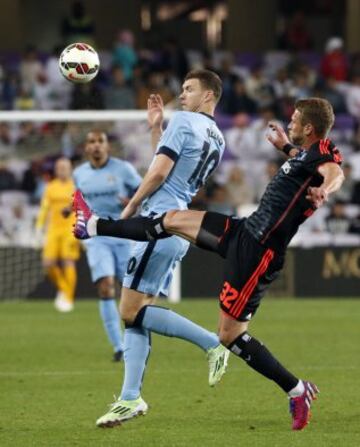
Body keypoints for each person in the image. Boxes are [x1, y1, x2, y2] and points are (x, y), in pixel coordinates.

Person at [74, 98, 345, 430]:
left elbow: (333, 172)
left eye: (295, 119)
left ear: (309, 128)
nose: (289, 121)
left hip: (258, 253)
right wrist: (285, 146)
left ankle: (296, 389)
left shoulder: (325, 153)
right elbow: (305, 163)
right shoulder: (304, 154)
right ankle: (93, 226)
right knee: (169, 219)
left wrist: (326, 192)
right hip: (243, 229)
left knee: (230, 334)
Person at [74, 69, 230, 427]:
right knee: (137, 312)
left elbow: (158, 173)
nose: (183, 94)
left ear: (209, 96)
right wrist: (156, 128)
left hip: (159, 223)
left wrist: (129, 211)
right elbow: (174, 167)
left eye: (189, 88)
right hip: (179, 226)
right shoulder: (217, 137)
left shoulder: (185, 120)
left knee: (129, 311)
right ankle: (130, 398)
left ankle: (212, 343)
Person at [73, 130, 142, 361]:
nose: (96, 146)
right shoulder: (79, 174)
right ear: (86, 147)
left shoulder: (123, 169)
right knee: (105, 287)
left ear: (107, 147)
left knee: (132, 291)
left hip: (123, 234)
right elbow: (77, 200)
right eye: (91, 141)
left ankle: (137, 340)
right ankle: (118, 347)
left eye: (100, 141)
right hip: (97, 237)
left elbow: (145, 192)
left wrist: (133, 202)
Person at [36, 157, 80, 312]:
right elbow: (44, 207)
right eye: (59, 167)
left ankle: (68, 298)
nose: (62, 170)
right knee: (48, 263)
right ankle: (63, 288)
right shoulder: (50, 187)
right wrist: (39, 226)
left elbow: (82, 208)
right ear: (55, 170)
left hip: (70, 229)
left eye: (65, 167)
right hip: (53, 229)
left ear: (70, 169)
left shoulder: (76, 186)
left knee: (68, 261)